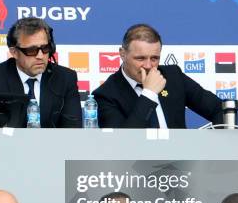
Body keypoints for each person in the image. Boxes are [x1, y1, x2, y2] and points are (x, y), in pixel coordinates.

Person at [92, 24, 222, 128]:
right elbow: (123, 144)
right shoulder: (106, 94)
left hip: (179, 159)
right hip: (137, 161)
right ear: (122, 54)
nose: (148, 65)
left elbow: (220, 109)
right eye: (140, 58)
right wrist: (149, 94)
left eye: (154, 58)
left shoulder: (173, 76)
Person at [0, 17, 82, 128]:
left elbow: (72, 128)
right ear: (14, 52)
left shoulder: (66, 78)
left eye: (45, 48)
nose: (40, 56)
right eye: (31, 50)